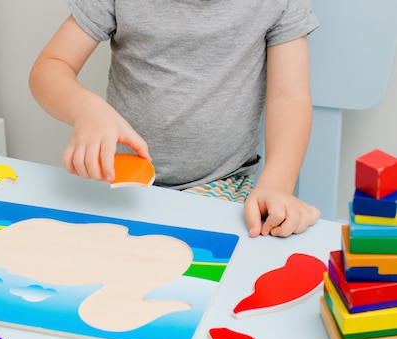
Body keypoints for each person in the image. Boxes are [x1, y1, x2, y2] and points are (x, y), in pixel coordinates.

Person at [29, 0, 322, 237]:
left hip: (219, 183)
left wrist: (277, 184)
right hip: (117, 180)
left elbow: (289, 98)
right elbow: (51, 67)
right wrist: (85, 109)